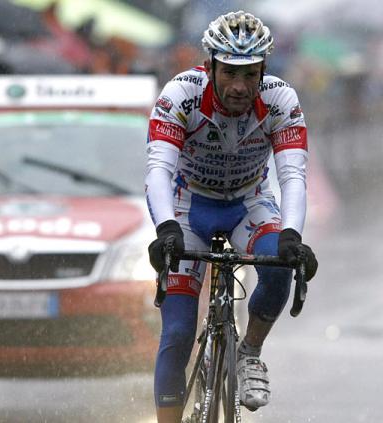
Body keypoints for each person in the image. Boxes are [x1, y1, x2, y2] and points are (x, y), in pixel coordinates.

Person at [145, 10, 319, 423]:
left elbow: (292, 175)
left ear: (263, 72)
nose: (240, 87)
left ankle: (251, 353)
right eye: (229, 74)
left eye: (250, 75)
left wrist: (293, 235)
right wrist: (167, 228)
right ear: (209, 68)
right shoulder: (180, 94)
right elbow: (158, 170)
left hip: (249, 202)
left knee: (279, 264)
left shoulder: (280, 100)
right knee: (177, 333)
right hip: (189, 206)